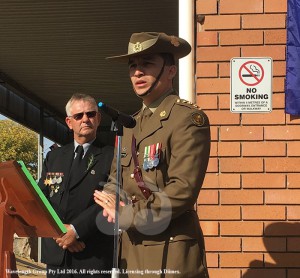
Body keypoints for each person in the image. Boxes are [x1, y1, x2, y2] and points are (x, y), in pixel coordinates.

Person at [94, 32, 211, 278]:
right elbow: (118, 178)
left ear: (170, 71)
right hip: (130, 250)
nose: (137, 72)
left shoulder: (187, 119)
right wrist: (110, 199)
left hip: (170, 250)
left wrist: (127, 214)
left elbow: (182, 191)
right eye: (133, 66)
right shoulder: (129, 124)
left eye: (147, 64)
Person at [38, 93, 114, 277]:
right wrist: (61, 234)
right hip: (57, 255)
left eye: (90, 114)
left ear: (98, 118)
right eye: (78, 116)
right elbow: (42, 198)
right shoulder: (54, 157)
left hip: (92, 255)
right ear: (69, 122)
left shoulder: (112, 156)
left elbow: (110, 201)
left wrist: (76, 230)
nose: (85, 119)